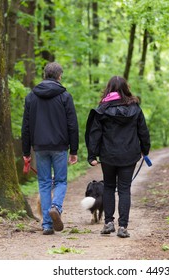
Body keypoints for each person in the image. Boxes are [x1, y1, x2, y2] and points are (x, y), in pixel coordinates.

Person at [85, 76, 150, 238]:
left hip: (108, 155)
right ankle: (123, 226)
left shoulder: (102, 109)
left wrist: (92, 155)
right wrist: (145, 149)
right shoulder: (135, 108)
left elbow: (95, 134)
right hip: (129, 155)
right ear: (126, 88)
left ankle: (108, 223)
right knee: (124, 189)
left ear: (108, 89)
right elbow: (143, 131)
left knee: (108, 187)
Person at [21, 62, 79, 235]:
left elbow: (26, 127)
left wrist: (26, 152)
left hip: (39, 147)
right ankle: (56, 207)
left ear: (45, 75)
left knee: (44, 184)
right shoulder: (65, 96)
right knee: (60, 181)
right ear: (59, 76)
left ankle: (47, 225)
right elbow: (72, 125)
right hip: (60, 146)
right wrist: (74, 150)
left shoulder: (31, 96)